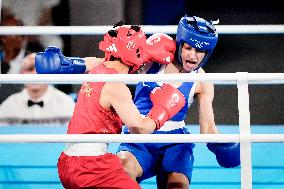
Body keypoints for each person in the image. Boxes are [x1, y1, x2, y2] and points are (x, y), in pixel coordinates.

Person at [35, 17, 240, 188]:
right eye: (188, 48)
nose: (192, 56)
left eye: (200, 52)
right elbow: (107, 62)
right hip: (139, 137)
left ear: (207, 54)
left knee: (177, 186)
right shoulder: (154, 60)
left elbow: (208, 127)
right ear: (180, 43)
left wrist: (221, 144)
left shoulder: (202, 80)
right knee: (123, 169)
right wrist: (70, 64)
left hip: (176, 142)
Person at [0, 53, 75, 125]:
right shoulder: (9, 104)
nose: (35, 74)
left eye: (40, 70)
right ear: (21, 73)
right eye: (30, 69)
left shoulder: (66, 103)